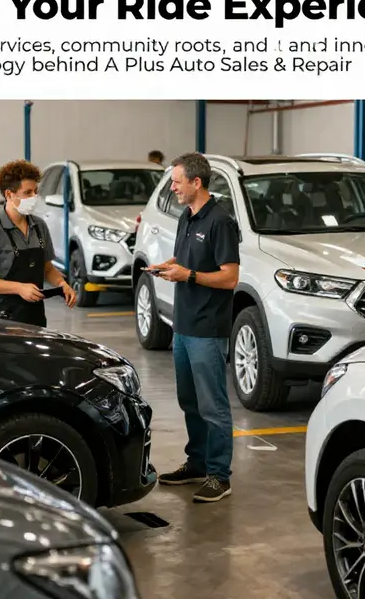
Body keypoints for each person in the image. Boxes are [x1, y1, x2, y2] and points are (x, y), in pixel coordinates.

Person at [147, 152, 240, 503]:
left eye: (177, 182)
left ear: (196, 182)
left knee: (213, 405)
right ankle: (197, 462)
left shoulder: (220, 221)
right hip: (183, 325)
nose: (172, 188)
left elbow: (229, 277)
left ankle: (219, 475)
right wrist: (167, 265)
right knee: (189, 401)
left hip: (207, 328)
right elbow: (185, 260)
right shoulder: (187, 216)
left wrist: (188, 275)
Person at [0, 160, 76, 325]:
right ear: (9, 195)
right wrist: (19, 288)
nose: (34, 197)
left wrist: (62, 284)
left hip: (35, 317)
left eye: (35, 192)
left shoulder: (39, 226)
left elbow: (47, 268)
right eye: (27, 193)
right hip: (1, 320)